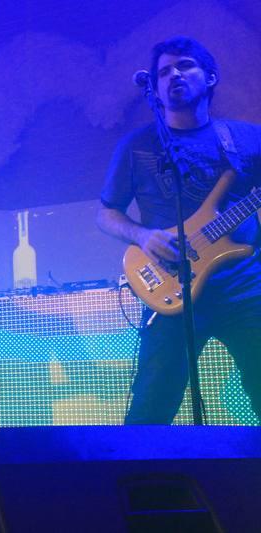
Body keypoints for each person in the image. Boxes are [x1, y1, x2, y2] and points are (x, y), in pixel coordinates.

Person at [97, 36, 261, 424]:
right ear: (154, 88)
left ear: (210, 77)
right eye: (164, 71)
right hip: (172, 286)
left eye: (185, 65)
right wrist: (143, 236)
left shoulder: (247, 138)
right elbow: (106, 213)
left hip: (245, 289)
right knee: (151, 410)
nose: (174, 75)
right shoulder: (136, 146)